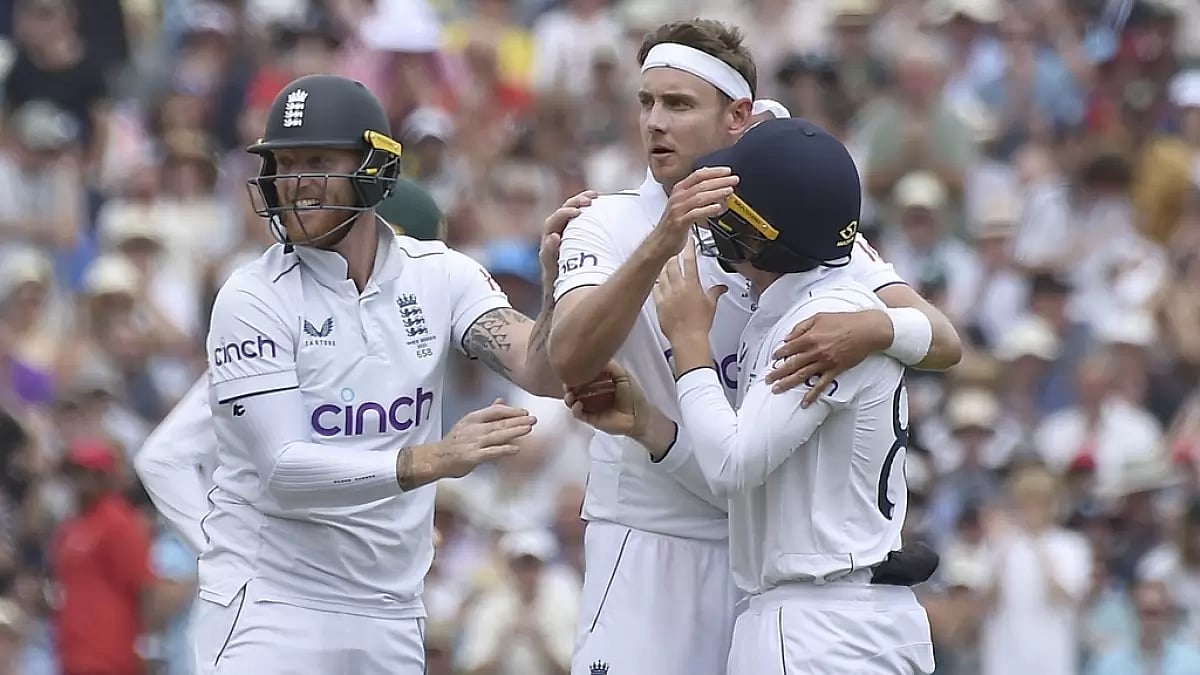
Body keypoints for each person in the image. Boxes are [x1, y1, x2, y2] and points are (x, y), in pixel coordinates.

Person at [548, 19, 959, 675]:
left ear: (737, 114)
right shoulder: (608, 219)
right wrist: (663, 239)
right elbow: (566, 359)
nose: (655, 122)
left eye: (678, 104)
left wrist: (880, 328)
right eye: (646, 102)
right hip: (651, 533)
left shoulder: (793, 216)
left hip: (768, 553)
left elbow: (944, 338)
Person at [191, 73, 590, 674]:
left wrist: (557, 288)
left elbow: (543, 370)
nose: (294, 185)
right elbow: (284, 472)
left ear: (375, 168)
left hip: (392, 608)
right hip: (270, 602)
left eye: (317, 162)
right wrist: (432, 460)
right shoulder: (252, 297)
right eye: (283, 165)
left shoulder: (442, 274)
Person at [133, 177, 516, 556]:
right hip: (273, 596)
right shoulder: (279, 326)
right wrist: (229, 561)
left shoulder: (412, 328)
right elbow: (163, 459)